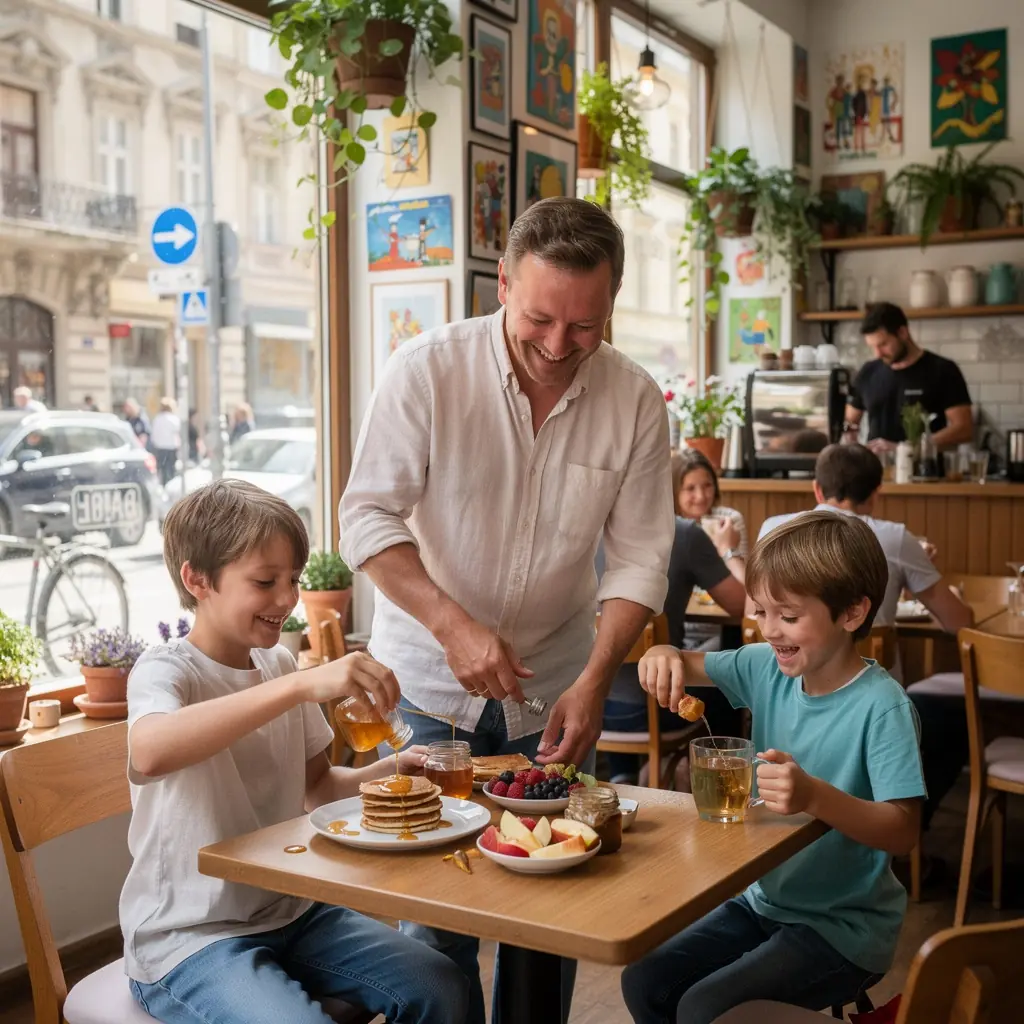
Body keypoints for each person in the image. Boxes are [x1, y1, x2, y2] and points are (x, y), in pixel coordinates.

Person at [339, 196, 675, 1024]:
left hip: (556, 684)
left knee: (551, 911)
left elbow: (637, 557)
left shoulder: (634, 399)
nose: (560, 347)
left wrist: (599, 677)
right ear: (502, 285)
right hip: (425, 687)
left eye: (586, 326)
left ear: (612, 303)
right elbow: (365, 517)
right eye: (540, 320)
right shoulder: (425, 370)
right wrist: (451, 624)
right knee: (437, 918)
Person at [121, 479, 468, 1024]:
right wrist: (301, 685)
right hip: (189, 937)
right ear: (197, 579)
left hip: (293, 912)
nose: (287, 599)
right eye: (265, 581)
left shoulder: (277, 665)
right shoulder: (168, 669)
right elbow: (149, 752)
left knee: (440, 983)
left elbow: (319, 790)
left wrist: (386, 770)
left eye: (293, 580)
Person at [621, 511, 925, 1024]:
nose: (768, 630)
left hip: (842, 928)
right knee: (645, 979)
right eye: (760, 611)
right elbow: (689, 665)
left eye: (787, 616)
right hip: (762, 902)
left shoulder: (883, 706)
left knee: (702, 1007)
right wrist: (664, 651)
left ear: (852, 613)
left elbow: (902, 830)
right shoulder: (769, 666)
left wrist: (813, 797)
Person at [600, 452, 747, 783]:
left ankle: (623, 773)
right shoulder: (684, 533)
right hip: (659, 706)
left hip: (588, 702)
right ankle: (724, 780)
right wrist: (729, 550)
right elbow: (742, 607)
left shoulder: (588, 531)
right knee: (731, 683)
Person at [759, 444, 973, 638]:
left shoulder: (772, 529)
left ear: (817, 489)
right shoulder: (897, 539)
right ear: (875, 494)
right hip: (874, 675)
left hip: (780, 677)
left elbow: (752, 616)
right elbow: (959, 622)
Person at [845, 303, 972, 453]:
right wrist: (850, 437)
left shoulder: (943, 370)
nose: (878, 353)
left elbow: (964, 429)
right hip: (876, 471)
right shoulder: (868, 371)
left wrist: (905, 449)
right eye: (872, 347)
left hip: (926, 471)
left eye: (883, 344)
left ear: (903, 333)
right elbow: (850, 421)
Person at [673, 449, 747, 652]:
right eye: (690, 488)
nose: (701, 496)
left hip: (718, 628)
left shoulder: (729, 521)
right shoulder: (678, 532)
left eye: (707, 486)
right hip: (681, 633)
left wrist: (728, 549)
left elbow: (746, 595)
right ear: (674, 491)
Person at [150, 397, 182, 486]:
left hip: (159, 448)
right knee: (171, 470)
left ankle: (164, 485)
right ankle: (170, 486)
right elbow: (179, 432)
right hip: (171, 447)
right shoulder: (173, 419)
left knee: (162, 470)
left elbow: (154, 435)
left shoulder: (157, 419)